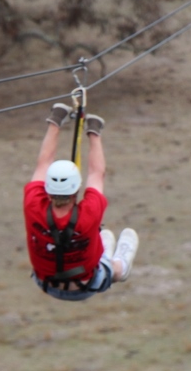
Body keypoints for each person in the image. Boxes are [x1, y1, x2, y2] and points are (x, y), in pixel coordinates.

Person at [23, 103, 138, 301]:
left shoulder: (32, 204)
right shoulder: (89, 212)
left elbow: (43, 163)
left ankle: (104, 251)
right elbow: (96, 173)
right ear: (77, 189)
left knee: (91, 243)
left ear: (47, 189)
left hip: (46, 283)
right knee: (115, 270)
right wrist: (94, 132)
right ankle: (118, 264)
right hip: (86, 284)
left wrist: (55, 121)